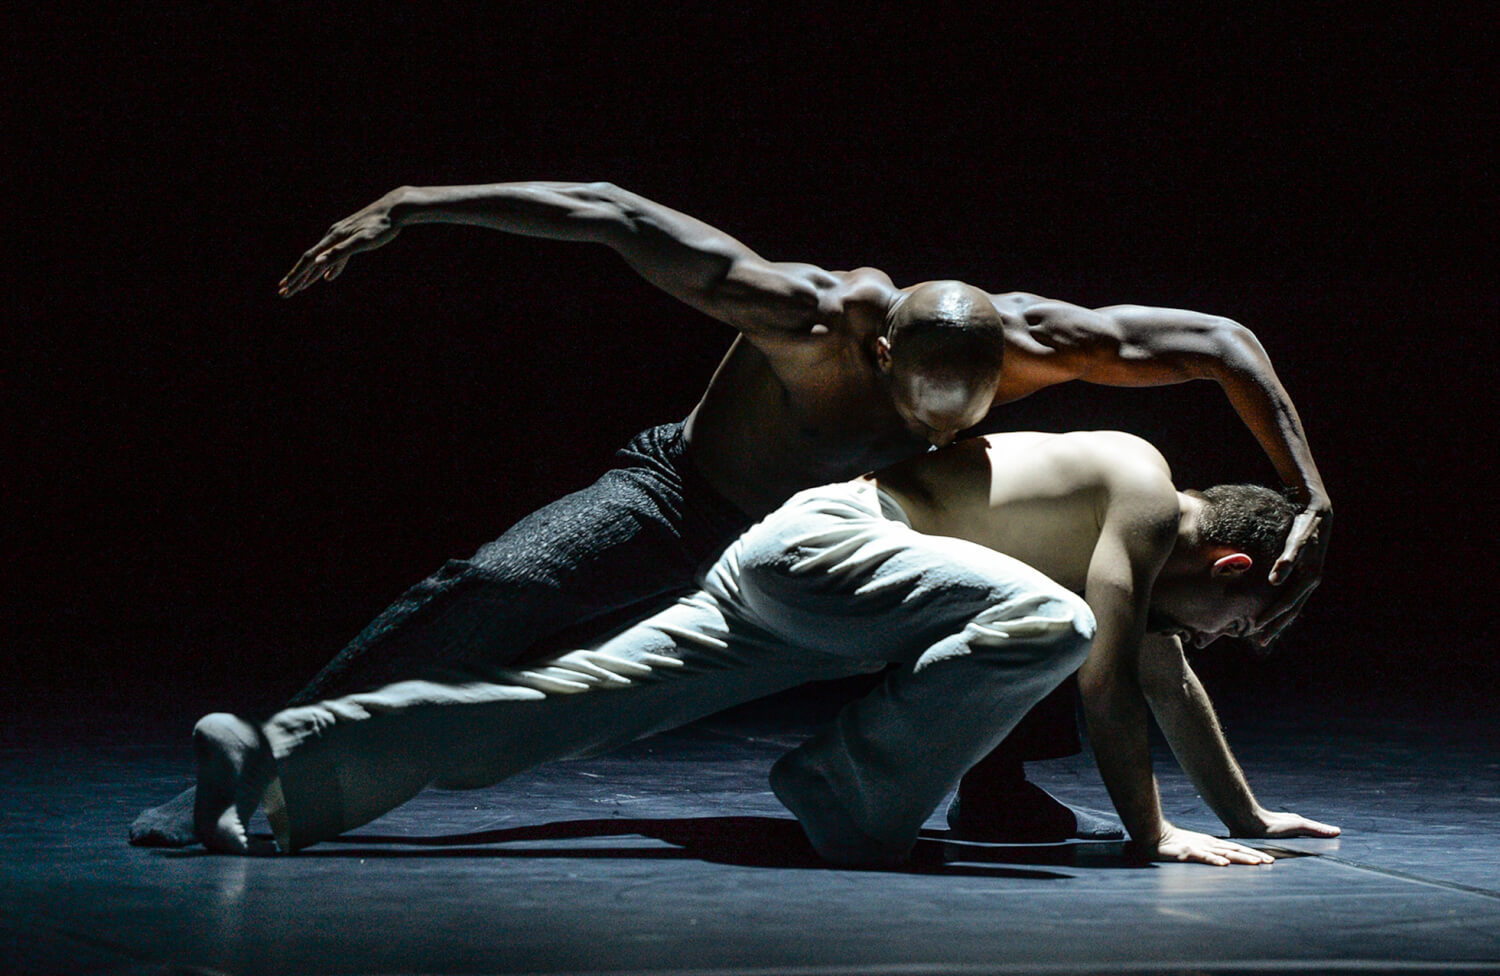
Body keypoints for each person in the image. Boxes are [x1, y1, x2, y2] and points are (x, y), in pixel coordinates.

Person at [132, 181, 1329, 847]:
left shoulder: (1037, 343)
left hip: (857, 555)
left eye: (957, 422)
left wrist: (1317, 491)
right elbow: (609, 213)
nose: (941, 430)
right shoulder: (800, 312)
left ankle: (277, 773)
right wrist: (419, 203)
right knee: (497, 588)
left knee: (576, 708)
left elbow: (1221, 343)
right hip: (698, 499)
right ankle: (282, 737)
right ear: (874, 346)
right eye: (915, 407)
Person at [191, 430, 1338, 865]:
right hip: (840, 546)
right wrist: (1154, 835)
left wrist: (1243, 817)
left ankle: (276, 760)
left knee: (563, 703)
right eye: (1247, 619)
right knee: (1064, 625)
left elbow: (1163, 677)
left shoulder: (1149, 555)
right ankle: (840, 786)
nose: (1231, 641)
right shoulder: (1143, 485)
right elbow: (1111, 675)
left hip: (799, 566)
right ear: (1233, 567)